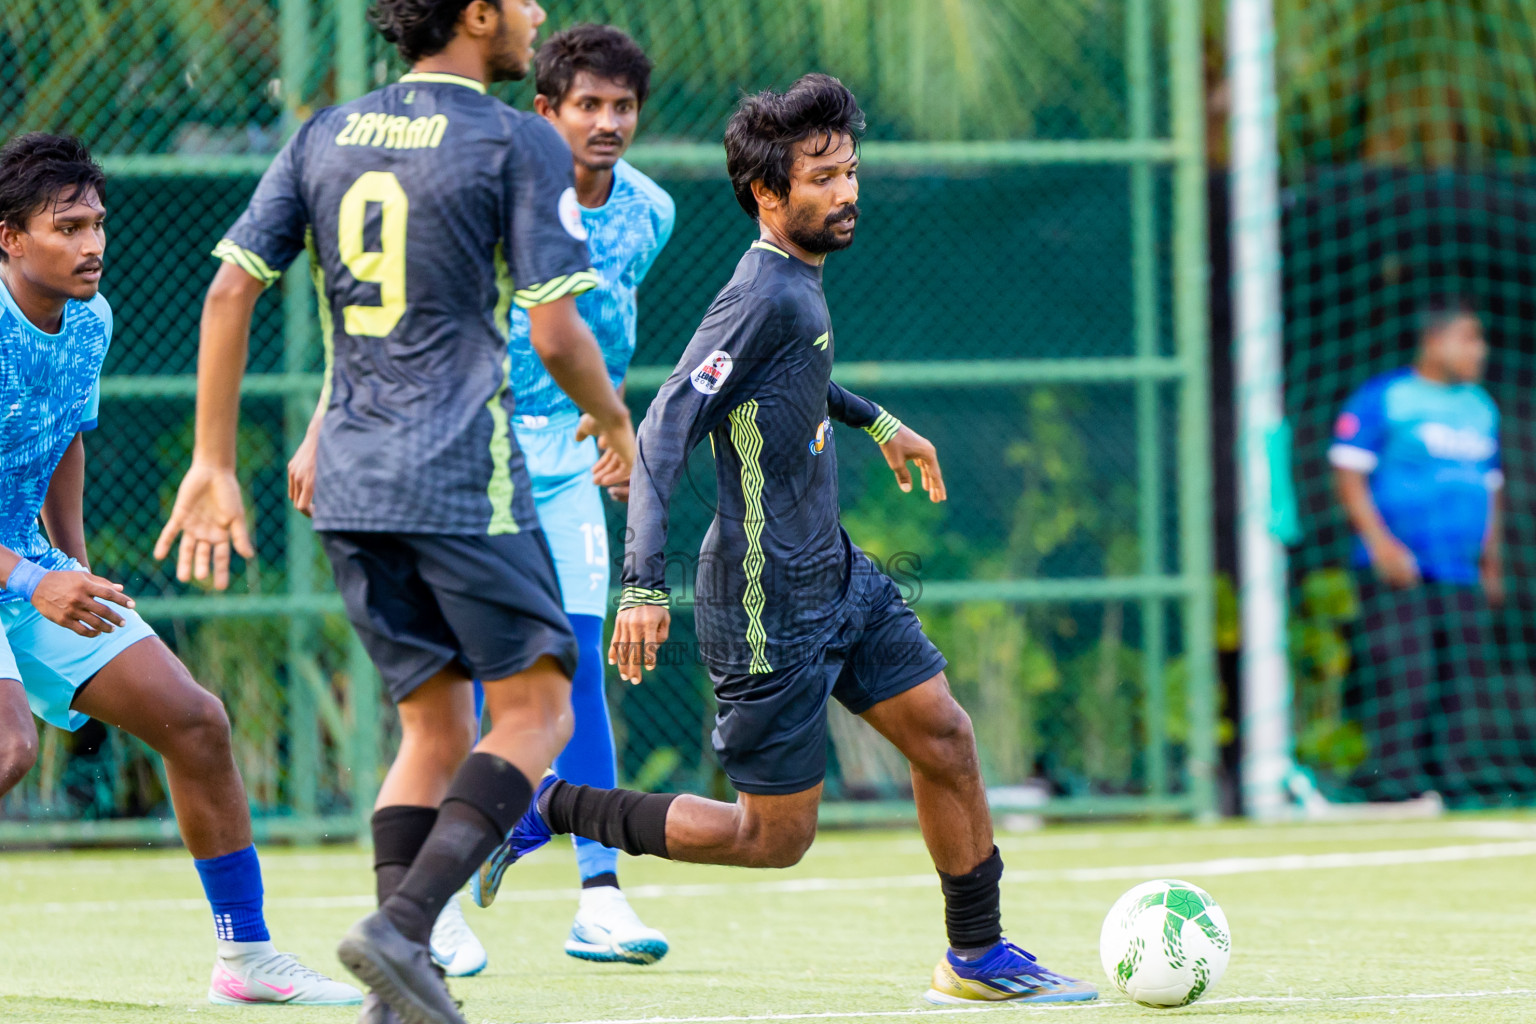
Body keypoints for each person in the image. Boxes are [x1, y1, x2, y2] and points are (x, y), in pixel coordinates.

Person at [474, 74, 1099, 1006]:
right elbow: (662, 429)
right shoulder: (758, 293)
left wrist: (877, 422)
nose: (846, 192)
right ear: (770, 195)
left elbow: (796, 375)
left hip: (840, 574)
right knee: (773, 838)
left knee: (947, 738)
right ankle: (548, 807)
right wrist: (644, 584)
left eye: (850, 171)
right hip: (765, 600)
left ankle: (978, 955)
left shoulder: (799, 286)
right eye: (823, 177)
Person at [155, 0, 635, 1020]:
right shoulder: (515, 139)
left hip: (350, 482)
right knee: (540, 706)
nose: (537, 13)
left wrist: (212, 460)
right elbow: (554, 335)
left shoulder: (325, 131)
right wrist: (614, 418)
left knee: (429, 726)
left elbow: (229, 293)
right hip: (459, 472)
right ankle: (403, 926)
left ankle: (395, 996)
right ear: (475, 13)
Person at [0, 134, 360, 1007]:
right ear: (7, 237)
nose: (92, 245)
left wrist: (68, 560)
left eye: (98, 224)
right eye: (67, 226)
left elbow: (65, 434)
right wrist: (27, 580)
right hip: (14, 575)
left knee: (196, 722)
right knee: (7, 746)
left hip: (26, 565)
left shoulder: (93, 318)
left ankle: (247, 959)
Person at [1329, 299, 1530, 803]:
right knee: (1404, 675)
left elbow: (1490, 488)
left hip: (1459, 570)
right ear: (1434, 341)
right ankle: (1394, 787)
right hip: (1400, 567)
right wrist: (1381, 544)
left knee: (1460, 679)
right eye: (1469, 338)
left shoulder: (1480, 407)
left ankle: (1454, 785)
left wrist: (1491, 562)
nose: (1479, 351)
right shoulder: (1387, 397)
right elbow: (1348, 472)